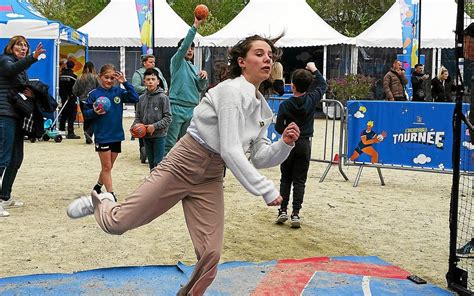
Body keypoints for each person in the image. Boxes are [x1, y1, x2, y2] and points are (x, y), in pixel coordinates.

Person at [66, 33, 301, 295]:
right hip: (184, 161)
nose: (267, 58)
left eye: (270, 55)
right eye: (259, 53)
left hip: (211, 176)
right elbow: (231, 149)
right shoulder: (230, 91)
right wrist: (265, 189)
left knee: (211, 253)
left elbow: (257, 157)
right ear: (241, 61)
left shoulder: (261, 107)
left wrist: (284, 145)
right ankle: (103, 200)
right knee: (118, 224)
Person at [72, 64, 139, 201]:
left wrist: (125, 82)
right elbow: (86, 114)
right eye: (106, 77)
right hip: (102, 136)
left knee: (109, 167)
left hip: (117, 135)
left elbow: (135, 97)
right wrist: (94, 112)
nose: (109, 80)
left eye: (112, 78)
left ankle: (97, 187)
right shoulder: (94, 94)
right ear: (99, 77)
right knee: (107, 167)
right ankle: (111, 194)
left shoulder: (118, 92)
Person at [274, 62, 326, 228]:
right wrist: (314, 69)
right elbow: (323, 84)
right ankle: (296, 213)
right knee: (299, 180)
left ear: (292, 86)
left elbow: (277, 126)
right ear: (308, 86)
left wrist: (287, 131)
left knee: (285, 178)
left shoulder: (285, 105)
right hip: (304, 143)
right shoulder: (311, 99)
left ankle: (282, 209)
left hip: (288, 144)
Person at [0, 35, 46, 217]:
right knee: (3, 158)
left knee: (16, 158)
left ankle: (5, 196)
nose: (23, 48)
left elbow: (20, 85)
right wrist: (33, 58)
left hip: (17, 114)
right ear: (11, 47)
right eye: (19, 45)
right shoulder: (5, 60)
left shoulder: (21, 68)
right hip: (4, 114)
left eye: (25, 46)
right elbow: (12, 69)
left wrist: (32, 93)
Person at [164, 17, 209, 155]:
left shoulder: (195, 68)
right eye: (187, 47)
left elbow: (201, 88)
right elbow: (184, 46)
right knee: (170, 143)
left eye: (192, 48)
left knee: (186, 144)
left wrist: (204, 77)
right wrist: (195, 26)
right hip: (176, 107)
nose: (189, 50)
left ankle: (181, 172)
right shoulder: (176, 62)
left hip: (192, 108)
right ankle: (163, 171)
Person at [132, 68, 171, 171]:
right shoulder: (141, 99)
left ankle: (158, 185)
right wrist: (134, 127)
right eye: (148, 79)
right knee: (151, 164)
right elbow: (138, 117)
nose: (150, 81)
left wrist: (154, 126)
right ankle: (152, 184)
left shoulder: (163, 97)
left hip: (160, 135)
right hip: (146, 136)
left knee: (158, 163)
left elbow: (168, 118)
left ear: (158, 81)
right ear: (144, 81)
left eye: (153, 79)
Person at [73, 61, 99, 144]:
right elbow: (99, 88)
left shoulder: (80, 77)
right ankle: (89, 133)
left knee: (86, 118)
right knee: (94, 117)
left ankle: (87, 134)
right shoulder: (95, 77)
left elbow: (74, 90)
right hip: (93, 101)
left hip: (82, 101)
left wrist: (79, 95)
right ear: (93, 68)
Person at [59, 60, 80, 139]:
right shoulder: (74, 77)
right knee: (71, 116)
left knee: (63, 114)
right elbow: (76, 89)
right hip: (71, 98)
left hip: (63, 98)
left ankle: (61, 131)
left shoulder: (60, 76)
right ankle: (70, 133)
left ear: (66, 65)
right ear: (73, 67)